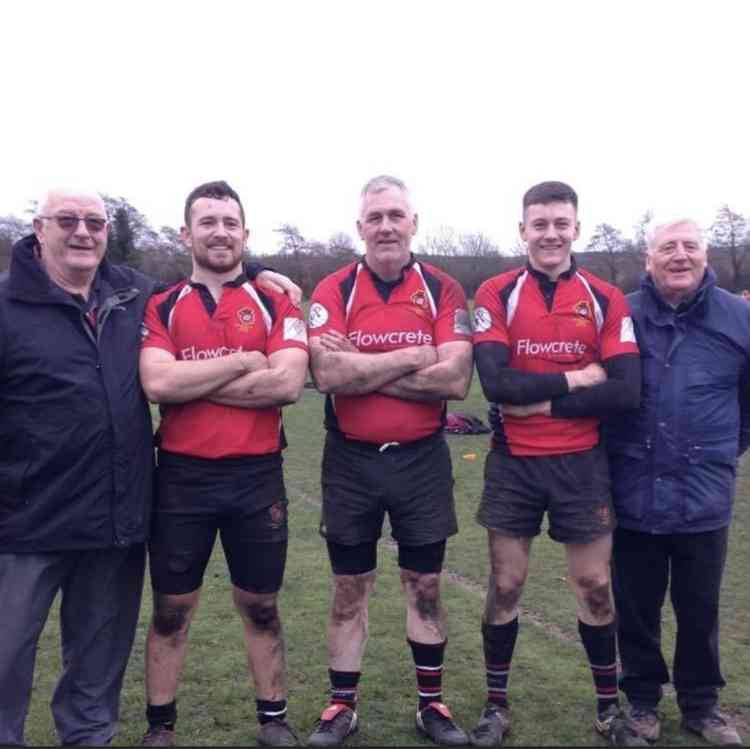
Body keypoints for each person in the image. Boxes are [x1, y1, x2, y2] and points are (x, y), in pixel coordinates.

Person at [0, 185, 299, 747]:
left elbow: (218, 277)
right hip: (24, 519)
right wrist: (241, 361)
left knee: (96, 665)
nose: (82, 231)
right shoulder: (6, 303)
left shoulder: (130, 291)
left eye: (94, 221)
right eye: (67, 220)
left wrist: (259, 271)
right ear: (39, 229)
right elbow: (160, 382)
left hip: (113, 516)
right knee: (6, 659)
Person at [471, 181, 642, 747]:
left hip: (581, 466)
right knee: (506, 583)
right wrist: (575, 377)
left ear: (576, 228)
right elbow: (496, 383)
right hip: (514, 465)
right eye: (538, 224)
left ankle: (607, 709)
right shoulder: (496, 293)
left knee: (594, 584)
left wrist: (541, 400)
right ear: (522, 231)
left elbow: (624, 392)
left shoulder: (605, 297)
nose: (550, 234)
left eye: (560, 223)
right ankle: (495, 707)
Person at [138, 181, 308, 747]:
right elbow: (158, 382)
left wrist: (195, 382)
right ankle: (160, 726)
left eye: (229, 222)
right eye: (207, 222)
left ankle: (273, 719)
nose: (219, 232)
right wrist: (240, 361)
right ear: (186, 233)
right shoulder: (161, 303)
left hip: (256, 477)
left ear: (245, 233)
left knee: (260, 605)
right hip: (182, 478)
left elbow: (286, 384)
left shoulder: (275, 300)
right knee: (170, 610)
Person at [305, 175, 473, 747]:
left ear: (413, 222)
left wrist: (366, 364)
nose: (385, 226)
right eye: (375, 217)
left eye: (395, 215)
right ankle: (340, 707)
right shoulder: (333, 289)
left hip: (421, 462)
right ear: (360, 227)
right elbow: (326, 375)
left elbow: (454, 379)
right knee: (350, 588)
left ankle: (432, 706)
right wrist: (413, 356)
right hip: (349, 462)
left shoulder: (444, 289)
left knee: (423, 584)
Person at [606, 217, 747, 746]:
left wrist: (719, 451)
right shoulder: (621, 315)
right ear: (649, 258)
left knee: (700, 608)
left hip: (705, 496)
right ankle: (642, 701)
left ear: (705, 256)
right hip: (634, 491)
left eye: (690, 246)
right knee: (637, 608)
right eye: (668, 247)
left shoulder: (740, 318)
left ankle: (702, 706)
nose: (680, 255)